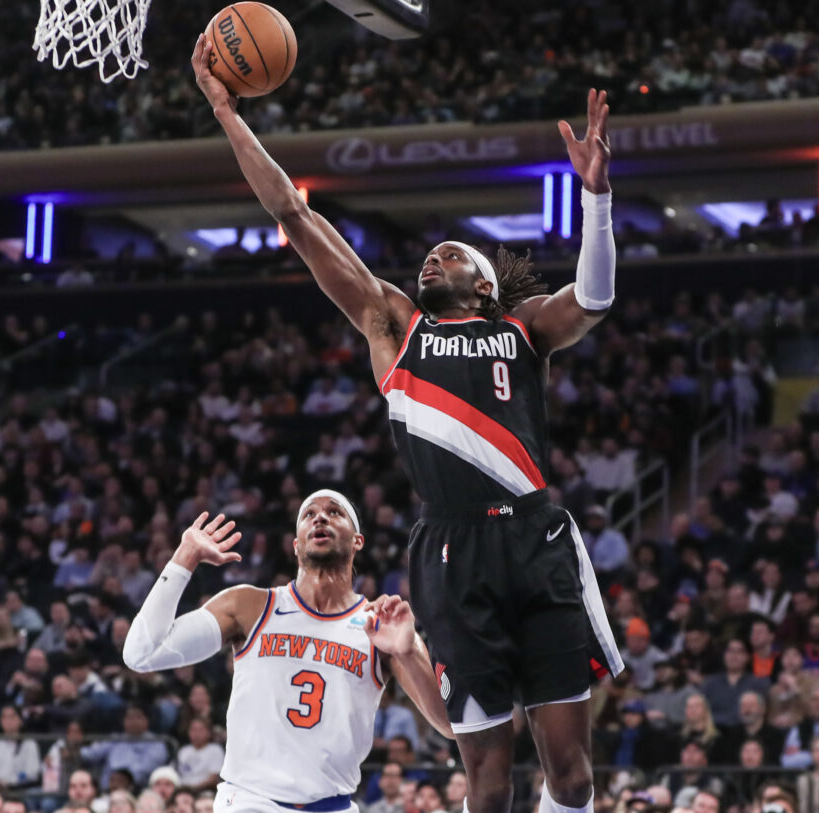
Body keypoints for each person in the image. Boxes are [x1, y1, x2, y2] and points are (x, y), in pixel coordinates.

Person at [193, 35, 621, 813]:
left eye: (450, 255)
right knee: (487, 779)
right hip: (451, 549)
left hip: (536, 537)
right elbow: (293, 210)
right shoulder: (395, 325)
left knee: (572, 775)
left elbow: (593, 298)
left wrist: (596, 199)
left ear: (485, 283)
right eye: (428, 257)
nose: (433, 260)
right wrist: (227, 114)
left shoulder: (525, 328)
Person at [123, 493, 452, 813]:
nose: (320, 516)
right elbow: (142, 653)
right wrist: (186, 555)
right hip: (250, 802)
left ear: (357, 541)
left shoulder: (381, 624)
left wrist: (407, 652)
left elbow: (450, 726)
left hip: (333, 805)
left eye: (334, 512)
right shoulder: (250, 606)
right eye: (309, 514)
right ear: (296, 546)